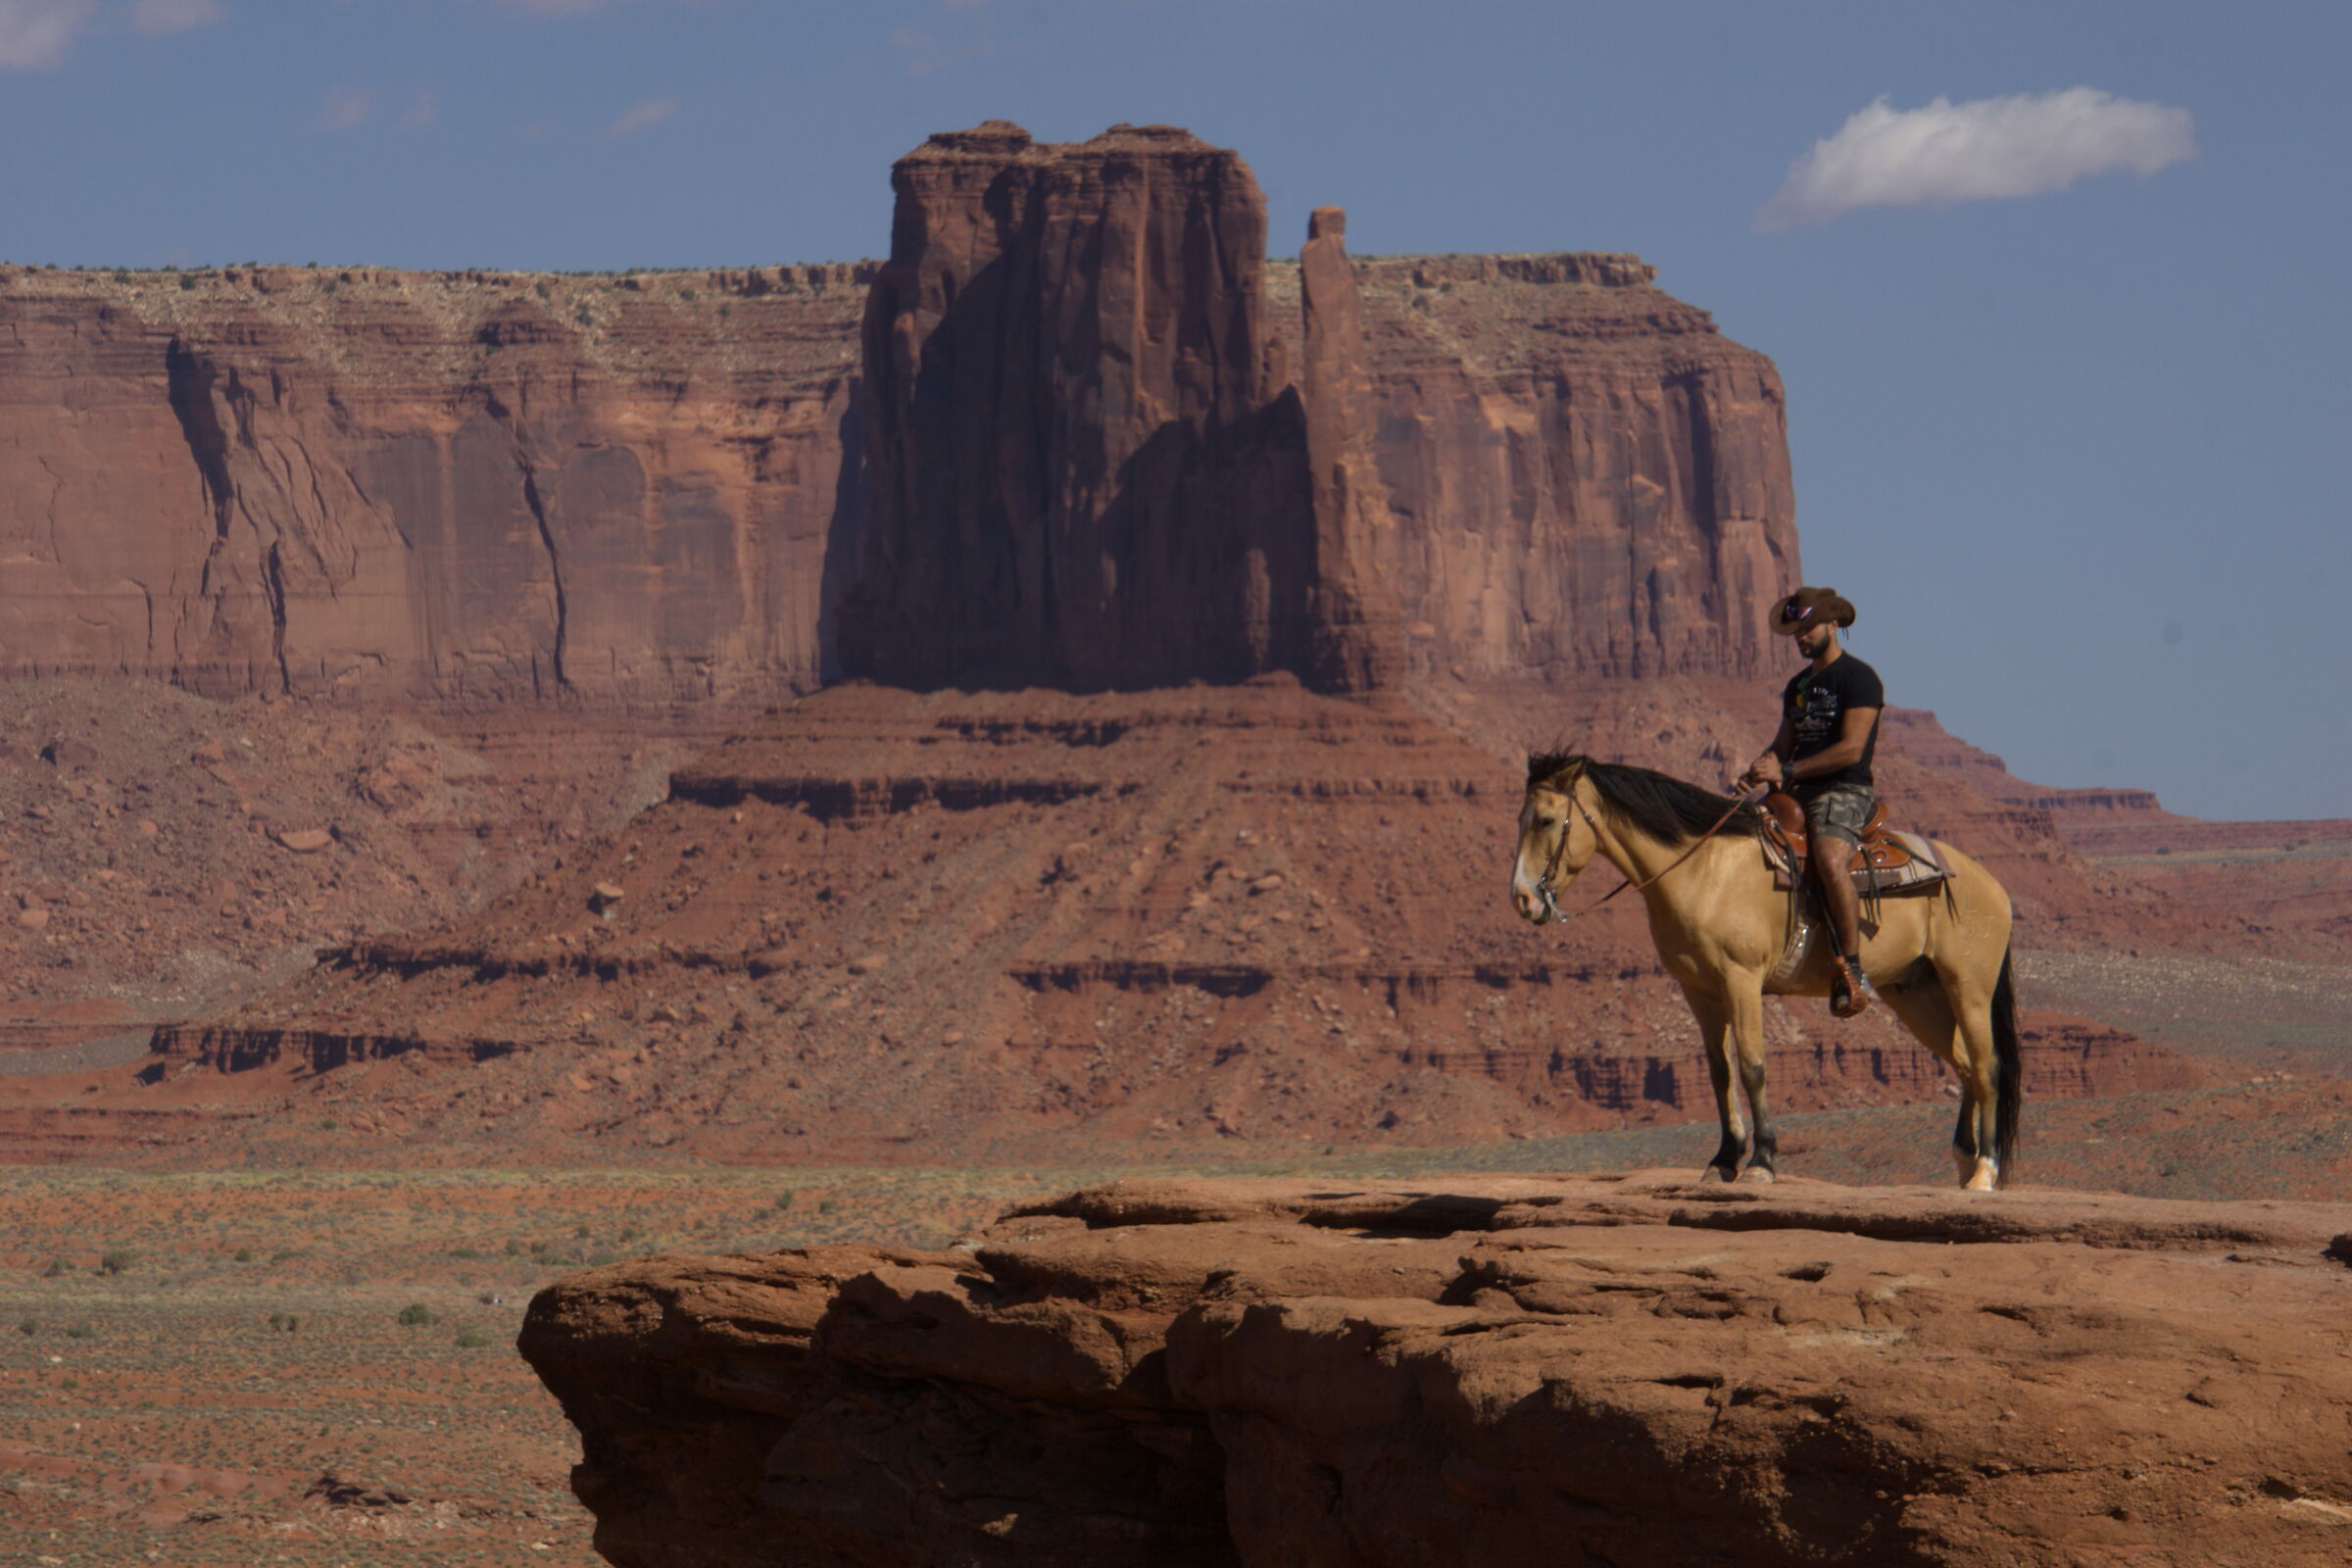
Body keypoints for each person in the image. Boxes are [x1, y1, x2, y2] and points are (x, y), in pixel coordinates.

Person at [1737, 586, 1884, 1017]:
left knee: (1829, 857)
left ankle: (1851, 968)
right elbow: (1783, 744)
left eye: (1808, 628)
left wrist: (1785, 772)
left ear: (1832, 624)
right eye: (1796, 631)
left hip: (1843, 790)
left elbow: (1851, 749)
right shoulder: (1797, 686)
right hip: (1796, 789)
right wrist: (1759, 771)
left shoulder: (1858, 678)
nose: (1801, 637)